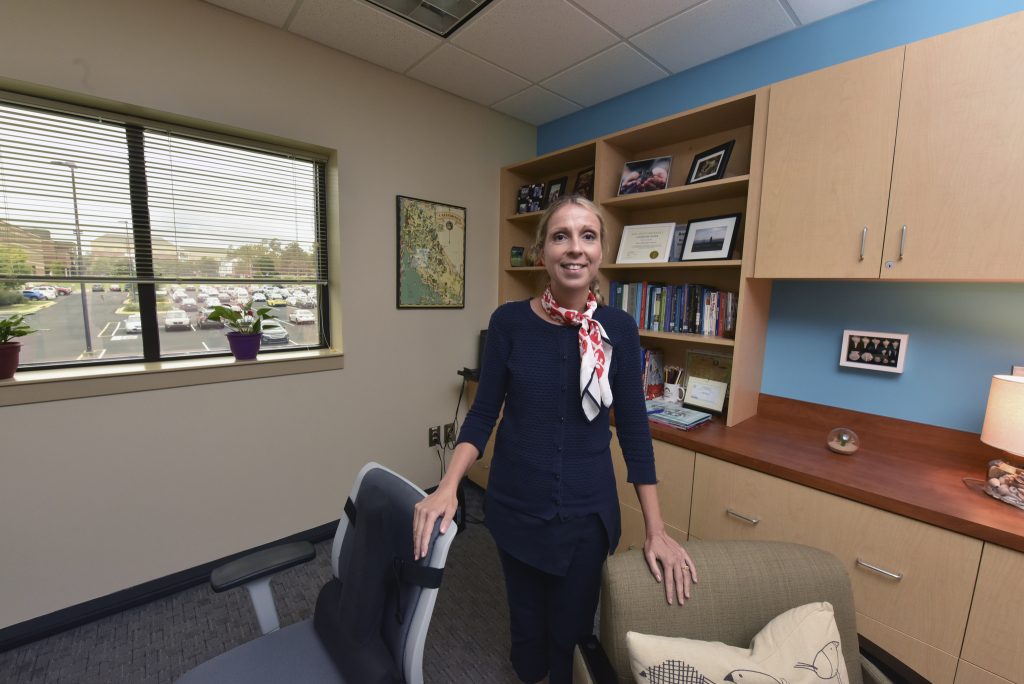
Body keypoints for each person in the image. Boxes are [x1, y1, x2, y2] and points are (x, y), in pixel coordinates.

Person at [412, 195, 696, 684]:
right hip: (515, 506)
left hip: (587, 516)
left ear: (601, 251)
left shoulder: (619, 331)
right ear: (542, 251)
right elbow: (483, 413)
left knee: (571, 631)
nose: (574, 248)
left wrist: (656, 529)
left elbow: (633, 430)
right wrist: (448, 486)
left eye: (587, 235)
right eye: (560, 236)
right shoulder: (509, 323)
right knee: (525, 630)